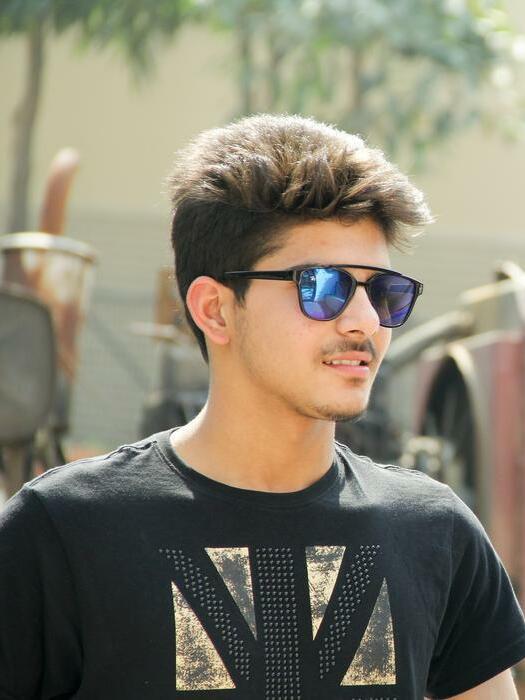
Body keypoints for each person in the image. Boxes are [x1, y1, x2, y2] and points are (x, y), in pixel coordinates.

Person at [1, 114, 524, 700]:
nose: (365, 321)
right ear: (215, 309)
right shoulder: (66, 532)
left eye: (384, 292)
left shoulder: (433, 531)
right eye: (322, 286)